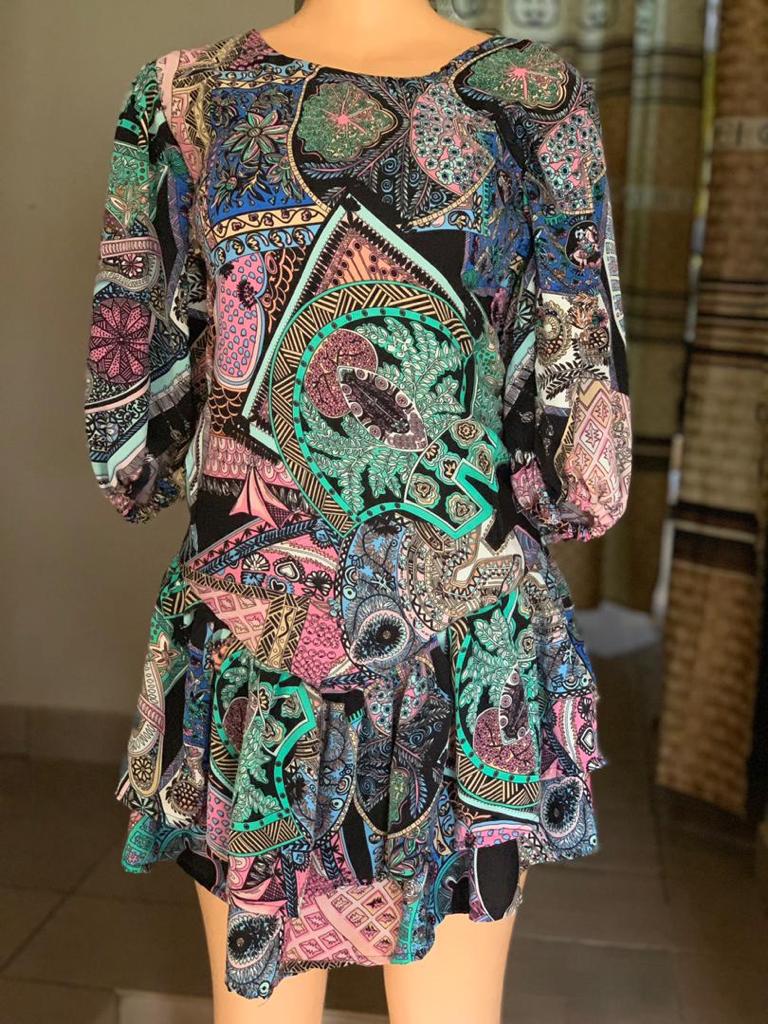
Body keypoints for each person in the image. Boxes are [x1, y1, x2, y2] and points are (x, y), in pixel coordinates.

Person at [83, 1, 632, 1021]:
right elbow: (578, 435)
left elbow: (133, 423)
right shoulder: (182, 99)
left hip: (392, 645)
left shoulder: (533, 99)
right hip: (341, 639)